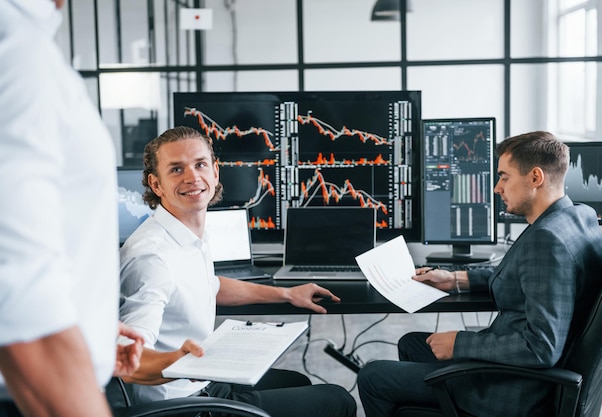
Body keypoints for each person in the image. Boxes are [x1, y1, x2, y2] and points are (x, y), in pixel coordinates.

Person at [358, 131, 602, 417]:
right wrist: (456, 279)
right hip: (534, 376)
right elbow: (528, 276)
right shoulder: (579, 216)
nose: (497, 188)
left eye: (504, 176)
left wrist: (460, 343)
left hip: (515, 391)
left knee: (373, 376)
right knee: (412, 344)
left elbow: (540, 347)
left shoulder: (546, 241)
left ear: (535, 177)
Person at [0, 1, 143, 416]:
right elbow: (19, 308)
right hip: (21, 395)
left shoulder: (14, 39)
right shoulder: (9, 47)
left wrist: (90, 324)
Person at [119, 126, 357, 417]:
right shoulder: (151, 257)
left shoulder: (184, 233)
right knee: (336, 400)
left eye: (200, 165)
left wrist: (286, 293)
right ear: (156, 185)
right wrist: (183, 361)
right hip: (180, 406)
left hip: (203, 381)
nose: (192, 177)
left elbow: (210, 285)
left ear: (215, 172)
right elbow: (130, 362)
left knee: (296, 382)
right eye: (177, 169)